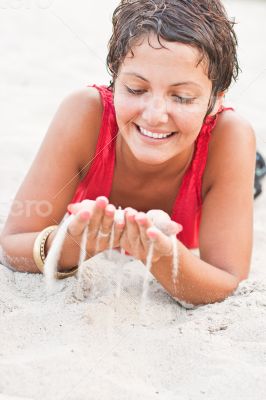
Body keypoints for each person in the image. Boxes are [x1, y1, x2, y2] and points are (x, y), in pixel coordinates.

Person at [0, 0, 256, 305]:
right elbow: (11, 243)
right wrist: (71, 243)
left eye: (183, 97)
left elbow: (228, 279)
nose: (154, 114)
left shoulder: (229, 137)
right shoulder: (84, 114)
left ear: (215, 101)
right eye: (135, 89)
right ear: (114, 80)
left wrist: (161, 255)